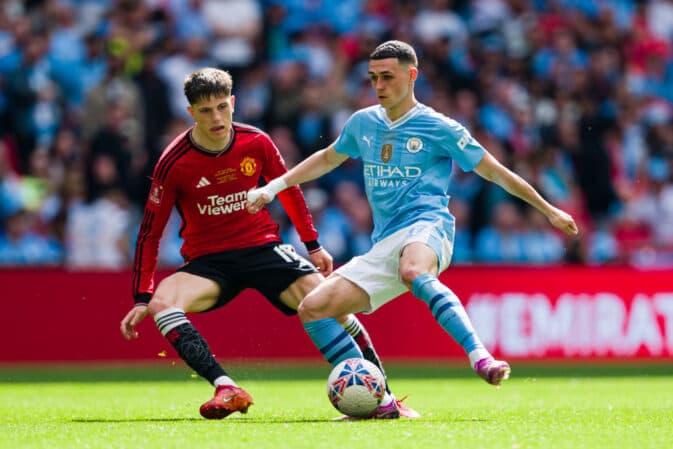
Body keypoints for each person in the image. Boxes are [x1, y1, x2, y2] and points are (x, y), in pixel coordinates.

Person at [247, 40, 579, 416]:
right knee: (313, 308)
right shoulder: (363, 123)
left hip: (429, 226)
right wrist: (274, 186)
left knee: (413, 271)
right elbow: (327, 158)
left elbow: (495, 171)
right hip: (383, 243)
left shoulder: (439, 127)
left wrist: (549, 209)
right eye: (373, 78)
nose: (379, 85)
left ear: (411, 75)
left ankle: (479, 356)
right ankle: (382, 404)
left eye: (387, 77)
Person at [119, 68, 417, 420]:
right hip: (209, 262)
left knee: (334, 306)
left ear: (232, 103)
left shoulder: (256, 142)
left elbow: (288, 188)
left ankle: (385, 399)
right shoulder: (173, 162)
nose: (216, 118)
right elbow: (150, 233)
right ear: (191, 113)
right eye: (205, 111)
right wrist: (142, 295)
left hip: (263, 248)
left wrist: (313, 244)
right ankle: (226, 387)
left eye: (221, 107)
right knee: (163, 302)